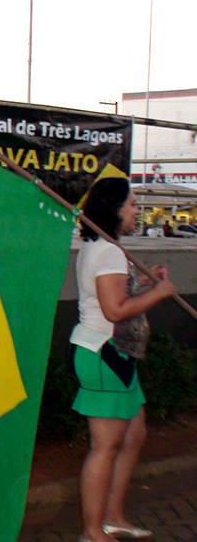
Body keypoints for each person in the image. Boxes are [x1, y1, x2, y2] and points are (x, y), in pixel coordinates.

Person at [69, 178, 176, 542]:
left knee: (133, 435)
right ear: (114, 210)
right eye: (131, 204)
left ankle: (113, 516)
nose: (136, 210)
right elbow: (115, 311)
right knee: (106, 446)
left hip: (118, 356)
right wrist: (159, 294)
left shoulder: (102, 246)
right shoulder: (108, 251)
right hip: (105, 354)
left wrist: (146, 287)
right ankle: (92, 531)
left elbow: (115, 301)